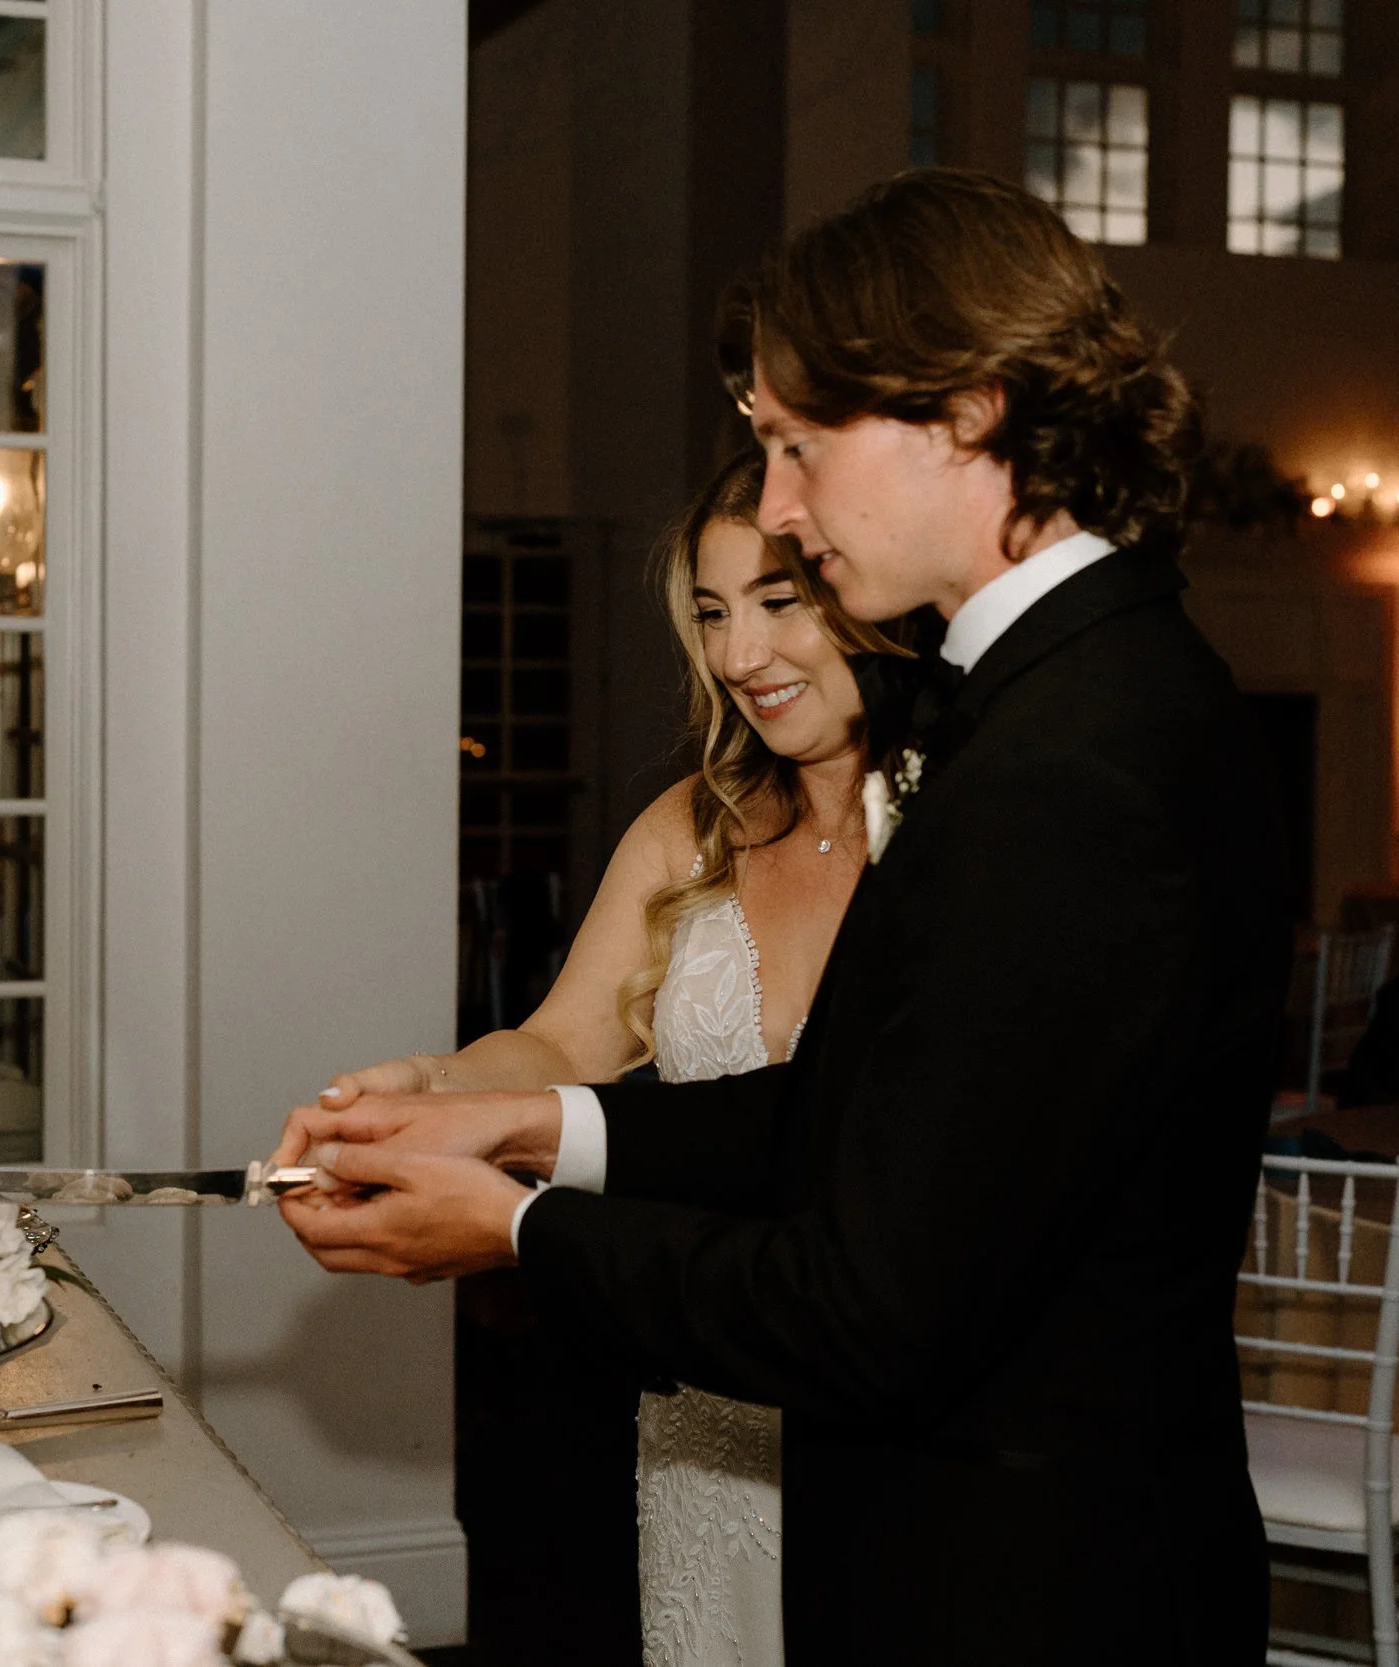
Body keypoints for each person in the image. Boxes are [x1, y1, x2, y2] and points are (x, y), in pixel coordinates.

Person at [272, 169, 1290, 1666]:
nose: (784, 512)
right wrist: (548, 1128)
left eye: (799, 447)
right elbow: (885, 1113)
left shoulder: (1073, 762)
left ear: (970, 411)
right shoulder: (1078, 692)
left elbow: (869, 1303)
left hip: (1020, 1591)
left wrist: (520, 1229)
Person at [327, 447, 910, 1667]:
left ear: (867, 590)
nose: (741, 655)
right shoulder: (689, 829)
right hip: (704, 1403)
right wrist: (426, 1089)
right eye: (711, 613)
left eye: (778, 601)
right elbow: (557, 1042)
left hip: (898, 1407)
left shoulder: (957, 829)